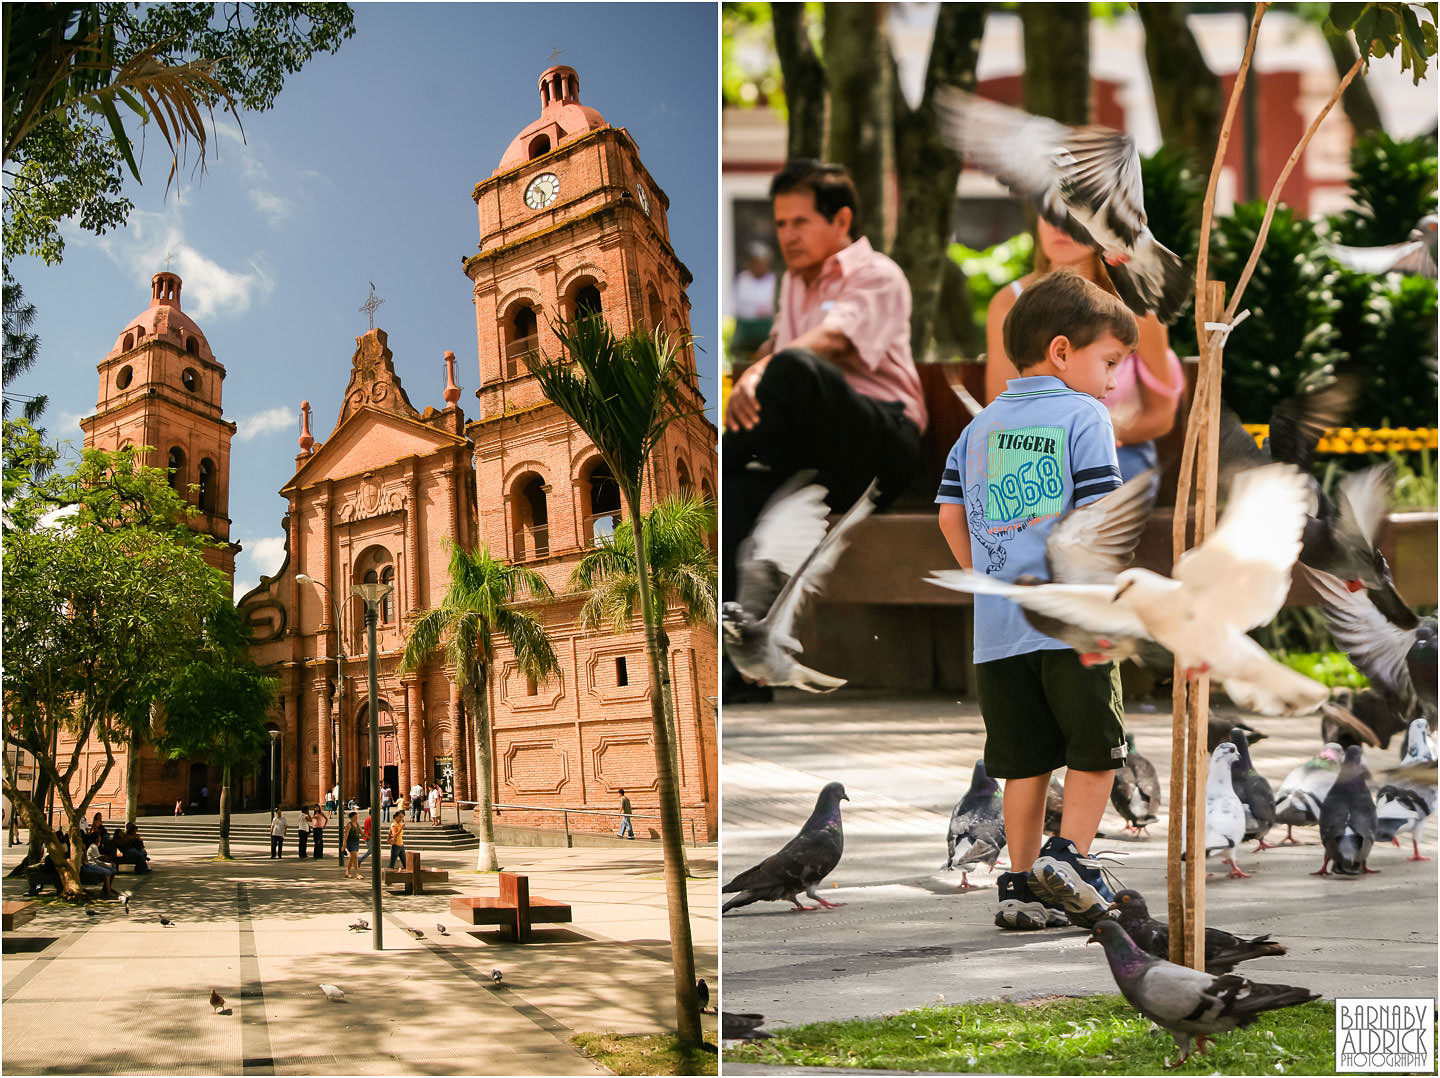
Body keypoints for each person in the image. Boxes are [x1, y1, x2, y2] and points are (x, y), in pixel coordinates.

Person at [936, 270, 1133, 932]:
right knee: (1097, 748)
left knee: (1022, 762)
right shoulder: (1085, 416)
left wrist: (986, 576)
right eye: (1108, 362)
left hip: (997, 632)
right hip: (1073, 621)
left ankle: (1019, 884)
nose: (1111, 381)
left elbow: (948, 518)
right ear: (1059, 352)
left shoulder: (978, 428)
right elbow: (1100, 519)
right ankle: (1069, 859)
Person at [722, 160, 927, 703]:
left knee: (791, 368)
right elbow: (779, 349)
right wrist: (758, 365)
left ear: (840, 219)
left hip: (882, 442)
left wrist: (764, 368)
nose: (787, 235)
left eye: (800, 222)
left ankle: (724, 454)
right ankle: (741, 679)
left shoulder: (877, 274)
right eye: (781, 223)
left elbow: (833, 343)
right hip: (815, 459)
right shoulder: (793, 284)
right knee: (731, 494)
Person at [985, 218, 1184, 485]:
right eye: (1049, 213)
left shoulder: (1139, 305)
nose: (1059, 226)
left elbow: (1162, 416)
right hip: (1032, 456)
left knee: (1091, 491)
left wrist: (1099, 434)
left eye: (1074, 214)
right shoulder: (1009, 303)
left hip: (1118, 454)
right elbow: (1001, 411)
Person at [731, 240, 777, 368]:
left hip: (767, 328)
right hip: (747, 329)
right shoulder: (743, 280)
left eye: (762, 262)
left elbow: (774, 306)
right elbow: (740, 307)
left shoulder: (773, 280)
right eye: (756, 262)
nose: (759, 266)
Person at [343, 810, 361, 879]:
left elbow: (361, 832)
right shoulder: (349, 825)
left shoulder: (357, 824)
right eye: (355, 816)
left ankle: (347, 872)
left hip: (356, 842)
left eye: (356, 816)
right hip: (350, 843)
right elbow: (345, 836)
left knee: (352, 859)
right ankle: (358, 874)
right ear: (351, 817)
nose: (356, 818)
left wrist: (368, 837)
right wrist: (344, 845)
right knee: (355, 857)